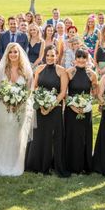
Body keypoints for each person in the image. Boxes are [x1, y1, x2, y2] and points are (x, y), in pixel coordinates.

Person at [0, 43, 34, 177]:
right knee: (3, 133)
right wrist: (7, 103)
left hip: (20, 109)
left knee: (17, 134)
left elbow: (28, 91)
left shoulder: (27, 71)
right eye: (10, 52)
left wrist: (18, 102)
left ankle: (15, 163)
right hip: (3, 108)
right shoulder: (1, 70)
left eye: (15, 52)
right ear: (7, 54)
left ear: (19, 54)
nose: (13, 55)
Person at [25, 45, 69, 176]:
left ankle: (50, 164)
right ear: (44, 56)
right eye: (48, 55)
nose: (50, 58)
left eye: (52, 55)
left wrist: (50, 106)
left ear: (56, 56)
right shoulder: (39, 69)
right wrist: (40, 103)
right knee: (38, 135)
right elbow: (35, 87)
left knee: (53, 136)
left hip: (55, 108)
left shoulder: (62, 71)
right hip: (39, 108)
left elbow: (62, 92)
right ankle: (35, 163)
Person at [64, 49, 97, 175]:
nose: (81, 60)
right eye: (79, 57)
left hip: (85, 110)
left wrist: (86, 105)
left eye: (84, 57)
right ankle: (70, 164)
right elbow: (65, 92)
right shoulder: (69, 72)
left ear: (87, 59)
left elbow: (94, 93)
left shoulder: (92, 74)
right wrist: (72, 105)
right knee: (71, 136)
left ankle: (84, 165)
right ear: (75, 58)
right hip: (71, 110)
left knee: (83, 137)